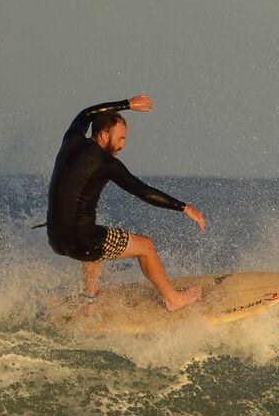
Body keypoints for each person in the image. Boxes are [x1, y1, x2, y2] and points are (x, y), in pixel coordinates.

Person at [45, 94, 205, 312]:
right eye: (120, 139)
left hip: (56, 239)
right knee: (145, 246)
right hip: (83, 242)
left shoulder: (71, 140)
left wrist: (127, 105)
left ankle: (90, 301)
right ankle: (173, 300)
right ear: (104, 135)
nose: (123, 145)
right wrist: (184, 207)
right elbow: (143, 191)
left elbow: (86, 113)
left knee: (92, 239)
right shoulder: (106, 163)